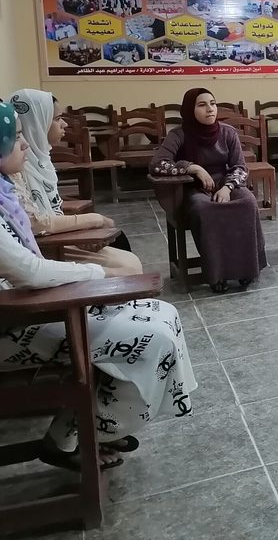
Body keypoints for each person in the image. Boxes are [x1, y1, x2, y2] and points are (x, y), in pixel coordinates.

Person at [0, 101, 196, 471]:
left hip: (27, 304)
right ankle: (71, 436)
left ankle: (99, 424)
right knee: (152, 339)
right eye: (14, 139)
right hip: (13, 320)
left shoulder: (4, 194)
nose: (25, 145)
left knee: (162, 312)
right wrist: (98, 277)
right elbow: (29, 272)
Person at [7, 88, 143, 277]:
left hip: (55, 240)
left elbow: (52, 211)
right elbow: (34, 224)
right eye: (56, 119)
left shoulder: (40, 161)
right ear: (36, 123)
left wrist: (81, 231)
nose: (64, 125)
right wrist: (91, 221)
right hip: (42, 251)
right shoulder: (16, 169)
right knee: (128, 265)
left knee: (123, 251)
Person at [150, 88, 266, 292]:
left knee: (247, 203)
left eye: (212, 103)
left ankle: (245, 269)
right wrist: (192, 167)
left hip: (227, 183)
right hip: (195, 189)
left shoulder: (227, 132)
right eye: (202, 105)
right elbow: (158, 164)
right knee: (205, 209)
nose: (210, 109)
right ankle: (216, 274)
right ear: (189, 110)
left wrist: (228, 188)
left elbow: (239, 167)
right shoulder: (179, 134)